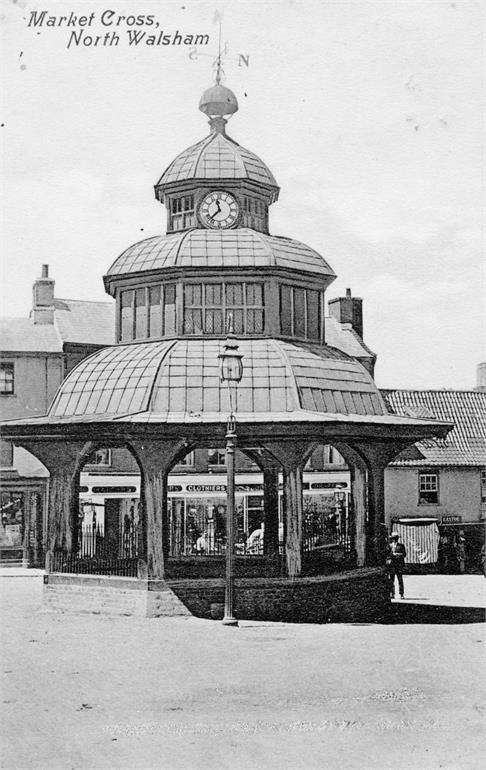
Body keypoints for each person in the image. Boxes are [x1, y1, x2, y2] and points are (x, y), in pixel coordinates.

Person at [386, 532, 407, 599]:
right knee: (391, 580)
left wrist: (397, 555)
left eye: (396, 538)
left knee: (400, 580)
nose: (395, 540)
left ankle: (401, 594)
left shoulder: (401, 546)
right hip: (392, 565)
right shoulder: (390, 546)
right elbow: (387, 555)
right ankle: (392, 593)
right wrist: (391, 556)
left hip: (399, 565)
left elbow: (404, 554)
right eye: (393, 538)